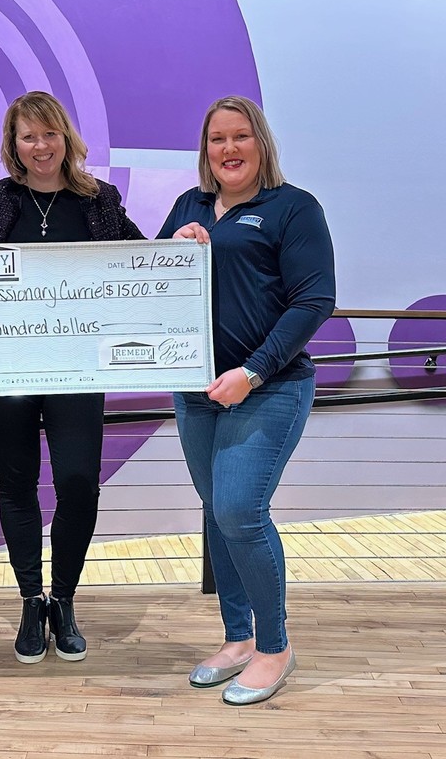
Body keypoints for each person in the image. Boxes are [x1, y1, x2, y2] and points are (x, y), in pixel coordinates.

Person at [156, 96, 335, 705]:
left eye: (241, 137)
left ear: (261, 143)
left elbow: (313, 301)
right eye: (217, 140)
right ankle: (236, 639)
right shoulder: (189, 205)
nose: (229, 150)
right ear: (205, 151)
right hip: (196, 392)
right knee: (216, 511)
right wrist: (176, 245)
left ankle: (274, 645)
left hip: (269, 388)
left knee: (238, 510)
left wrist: (253, 372)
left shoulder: (293, 208)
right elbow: (149, 278)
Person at [0, 91, 144, 663]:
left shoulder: (100, 201)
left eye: (49, 134)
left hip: (78, 369)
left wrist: (185, 244)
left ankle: (62, 598)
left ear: (66, 137)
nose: (40, 146)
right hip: (7, 372)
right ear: (13, 145)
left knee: (76, 482)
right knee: (16, 484)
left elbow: (143, 262)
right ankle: (28, 600)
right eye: (27, 136)